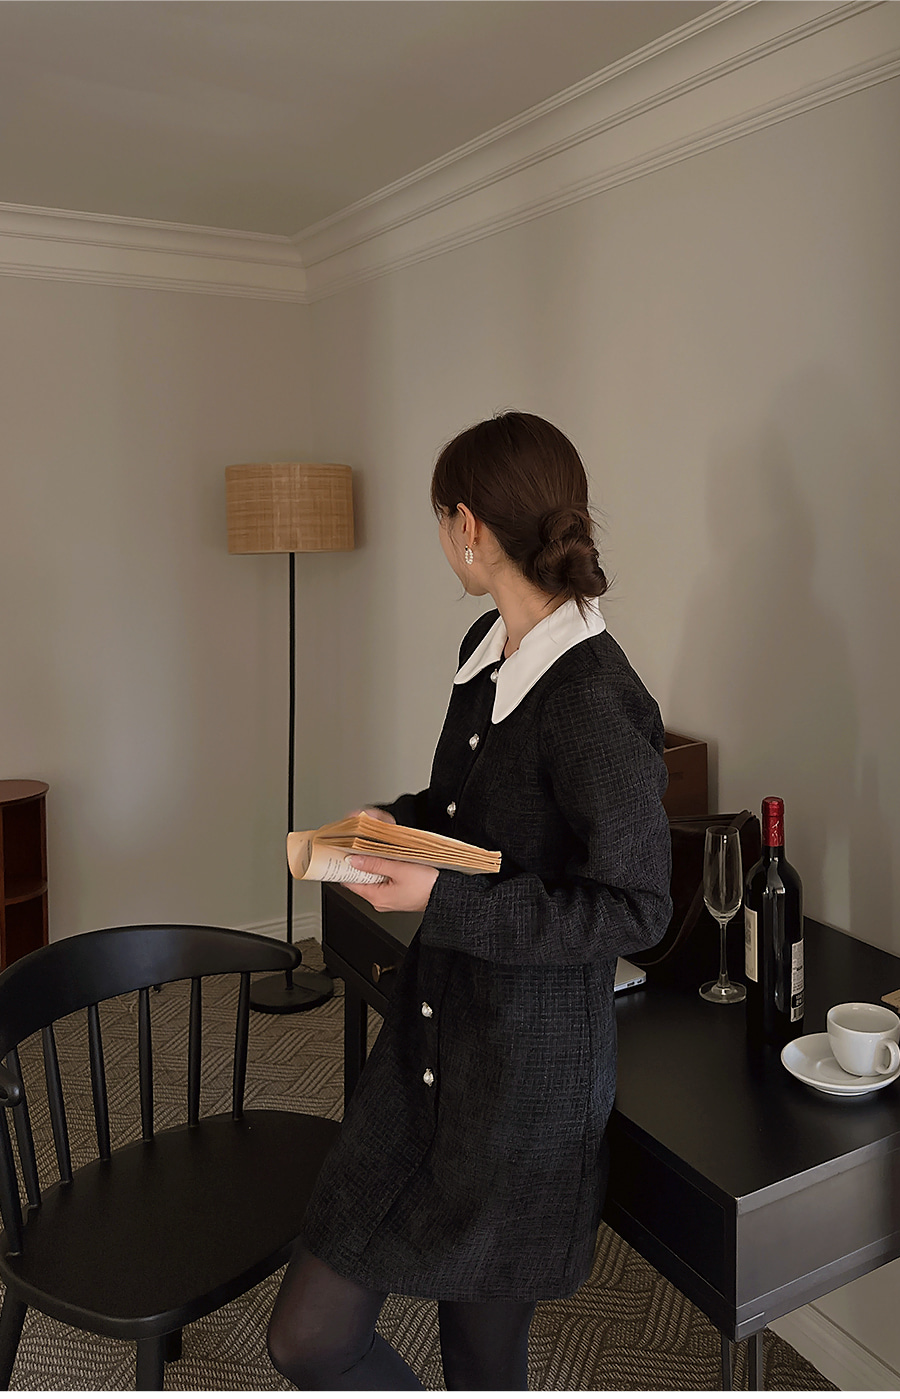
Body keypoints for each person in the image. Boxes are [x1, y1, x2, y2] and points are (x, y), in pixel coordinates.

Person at [267, 411, 672, 1390]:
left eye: (439, 518)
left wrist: (441, 896)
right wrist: (394, 823)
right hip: (429, 1039)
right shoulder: (487, 646)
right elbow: (472, 813)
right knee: (308, 1336)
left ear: (468, 526)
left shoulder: (591, 697)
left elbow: (636, 907)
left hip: (524, 1084)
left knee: (481, 1360)